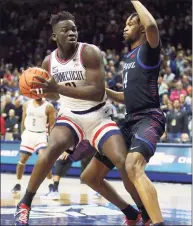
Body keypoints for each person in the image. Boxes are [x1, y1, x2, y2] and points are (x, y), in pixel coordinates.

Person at [14, 11, 147, 226]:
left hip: (98, 116)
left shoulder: (90, 52)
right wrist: (38, 91)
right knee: (50, 151)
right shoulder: (49, 61)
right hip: (70, 117)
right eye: (65, 30)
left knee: (123, 161)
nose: (71, 32)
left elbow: (95, 91)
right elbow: (55, 94)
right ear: (54, 36)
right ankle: (25, 203)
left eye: (73, 28)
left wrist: (57, 87)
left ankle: (141, 213)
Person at [104, 1, 166, 225]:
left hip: (149, 116)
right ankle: (138, 214)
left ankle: (156, 221)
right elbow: (125, 97)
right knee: (90, 174)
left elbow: (151, 26)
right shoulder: (128, 58)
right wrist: (104, 91)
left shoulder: (149, 50)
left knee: (133, 166)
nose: (124, 27)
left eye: (130, 24)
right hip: (129, 119)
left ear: (140, 28)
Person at [11, 98, 56, 194]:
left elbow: (52, 125)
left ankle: (51, 184)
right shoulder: (26, 104)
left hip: (41, 135)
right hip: (28, 134)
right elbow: (23, 119)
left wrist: (51, 139)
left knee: (44, 159)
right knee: (22, 160)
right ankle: (18, 183)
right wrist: (22, 133)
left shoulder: (49, 107)